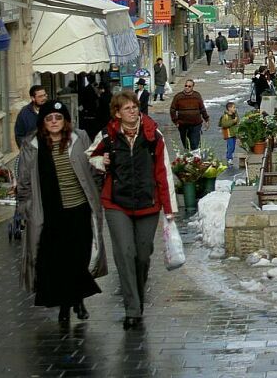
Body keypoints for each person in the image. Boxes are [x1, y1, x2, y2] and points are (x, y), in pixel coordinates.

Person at [88, 91, 177, 330]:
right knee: (125, 253)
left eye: (135, 107)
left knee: (143, 255)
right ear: (117, 113)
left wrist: (170, 209)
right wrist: (101, 161)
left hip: (148, 203)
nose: (132, 111)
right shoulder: (107, 135)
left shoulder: (152, 135)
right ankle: (132, 309)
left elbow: (163, 172)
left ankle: (137, 294)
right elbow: (90, 156)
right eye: (127, 108)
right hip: (117, 203)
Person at [16, 100, 107, 324]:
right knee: (60, 260)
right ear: (43, 122)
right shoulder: (32, 145)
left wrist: (97, 194)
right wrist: (25, 208)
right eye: (49, 118)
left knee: (79, 256)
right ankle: (66, 306)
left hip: (79, 208)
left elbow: (93, 167)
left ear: (65, 120)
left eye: (58, 118)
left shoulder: (79, 138)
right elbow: (24, 181)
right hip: (51, 212)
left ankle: (78, 300)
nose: (54, 122)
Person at [169, 80, 210, 150]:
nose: (187, 87)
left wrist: (206, 119)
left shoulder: (197, 95)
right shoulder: (178, 96)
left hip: (196, 124)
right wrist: (175, 121)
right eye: (186, 86)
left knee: (195, 144)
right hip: (183, 125)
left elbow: (202, 109)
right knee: (186, 144)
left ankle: (196, 156)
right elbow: (172, 109)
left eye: (189, 86)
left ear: (192, 87)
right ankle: (188, 156)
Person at [218, 102, 239, 167]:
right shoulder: (225, 116)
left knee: (232, 147)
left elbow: (238, 121)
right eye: (233, 107)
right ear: (229, 108)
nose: (235, 109)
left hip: (234, 133)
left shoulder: (235, 114)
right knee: (230, 147)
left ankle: (229, 157)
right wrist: (233, 121)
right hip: (228, 134)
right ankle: (229, 158)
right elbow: (224, 124)